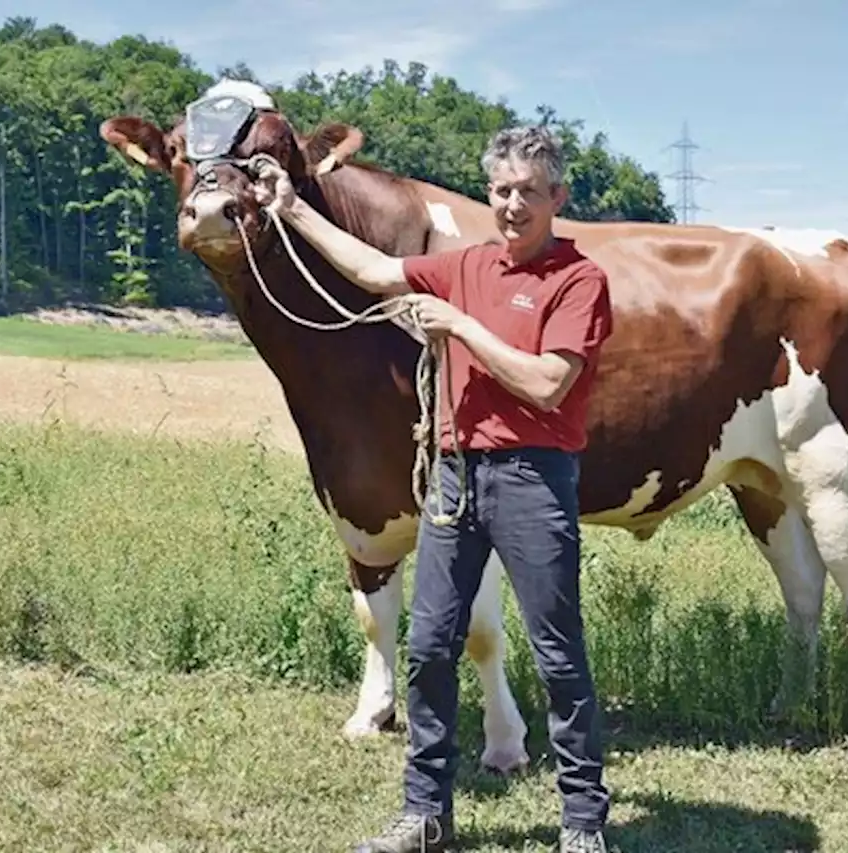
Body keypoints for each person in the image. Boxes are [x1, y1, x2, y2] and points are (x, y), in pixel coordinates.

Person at [254, 124, 614, 853]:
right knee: (429, 648)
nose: (514, 206)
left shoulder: (579, 281)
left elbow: (549, 383)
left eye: (530, 193)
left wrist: (459, 327)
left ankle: (582, 823)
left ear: (558, 198)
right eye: (503, 191)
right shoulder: (465, 264)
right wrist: (292, 207)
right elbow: (376, 272)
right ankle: (425, 815)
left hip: (532, 479)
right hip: (452, 477)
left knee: (558, 654)